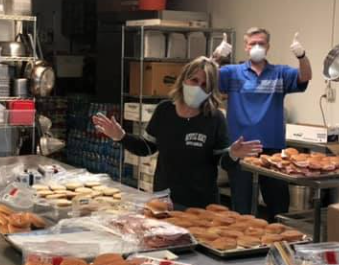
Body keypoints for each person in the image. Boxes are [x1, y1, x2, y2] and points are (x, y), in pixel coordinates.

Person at [93, 56, 261, 208]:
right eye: (194, 80)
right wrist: (121, 137)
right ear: (183, 80)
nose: (198, 87)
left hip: (201, 202)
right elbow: (147, 147)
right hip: (164, 199)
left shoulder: (215, 118)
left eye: (204, 85)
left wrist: (233, 154)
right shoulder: (164, 110)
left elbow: (222, 161)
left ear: (210, 90)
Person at [212, 27, 312, 219]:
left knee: (278, 207)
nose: (257, 47)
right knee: (241, 207)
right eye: (252, 43)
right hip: (241, 148)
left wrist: (302, 56)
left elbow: (305, 76)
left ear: (268, 47)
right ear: (245, 47)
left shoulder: (280, 73)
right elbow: (204, 77)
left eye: (261, 43)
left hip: (273, 149)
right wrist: (216, 57)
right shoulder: (232, 72)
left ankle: (279, 237)